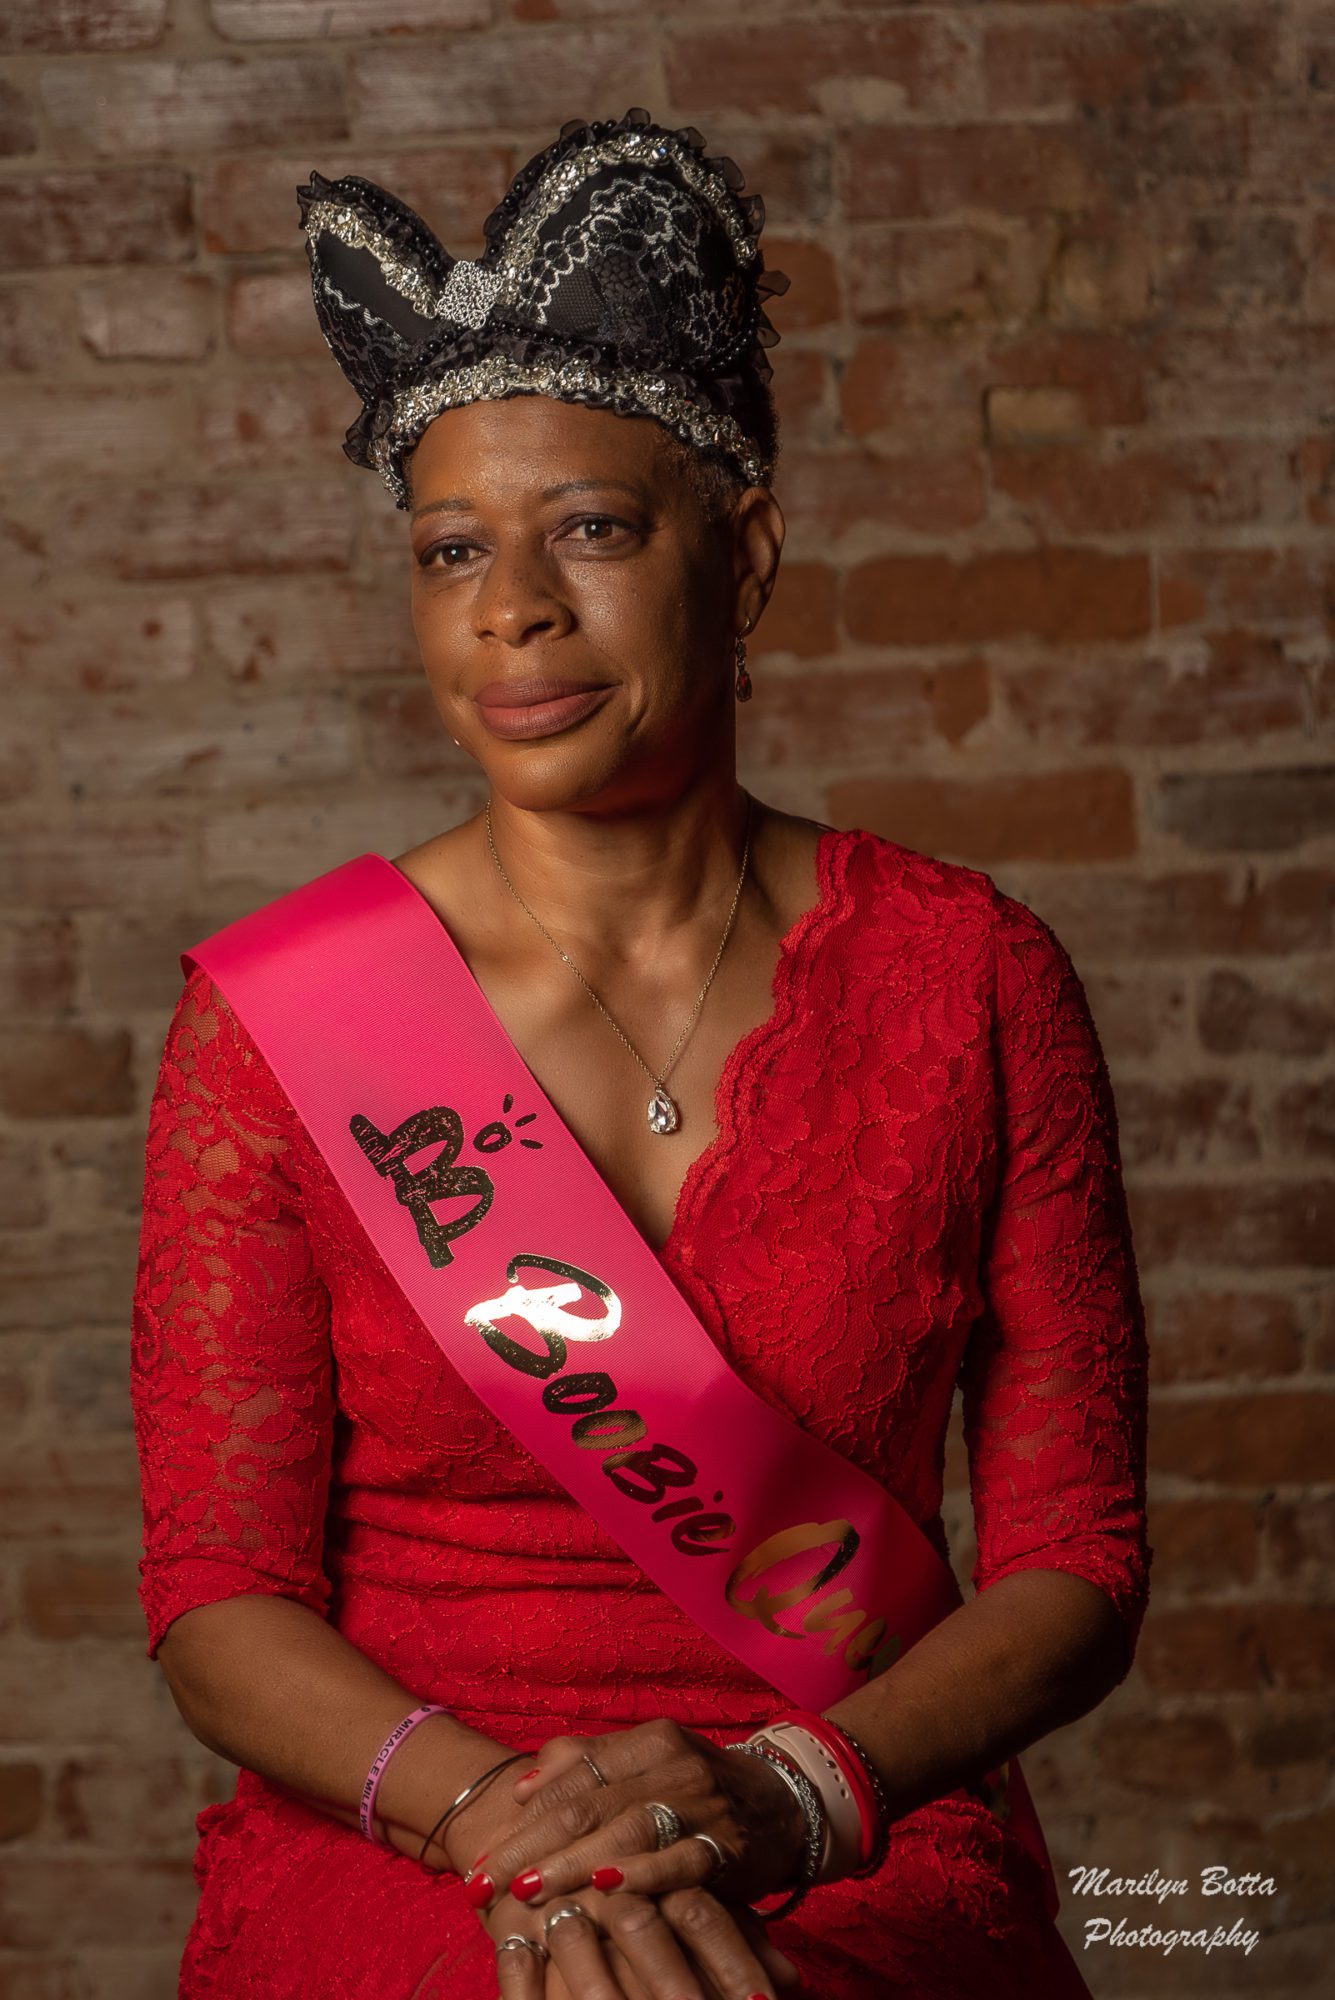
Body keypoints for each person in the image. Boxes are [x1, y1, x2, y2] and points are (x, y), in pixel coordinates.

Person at [129, 108, 1151, 2000]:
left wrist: (796, 1795)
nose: (512, 607)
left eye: (591, 530)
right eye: (452, 550)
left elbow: (1074, 1557)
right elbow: (216, 1599)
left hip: (849, 1810)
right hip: (414, 1819)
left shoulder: (973, 979)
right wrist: (501, 1824)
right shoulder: (282, 1023)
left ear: (741, 553)